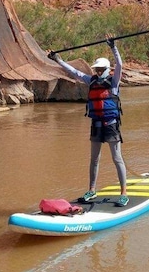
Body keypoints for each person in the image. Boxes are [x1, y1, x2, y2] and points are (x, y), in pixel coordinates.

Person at [48, 36, 129, 207]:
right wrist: (59, 60)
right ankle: (92, 190)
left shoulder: (113, 82)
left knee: (117, 158)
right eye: (96, 70)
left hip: (111, 125)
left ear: (107, 70)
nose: (98, 72)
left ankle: (123, 193)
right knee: (94, 159)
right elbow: (75, 73)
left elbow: (120, 65)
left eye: (100, 70)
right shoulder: (90, 80)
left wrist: (113, 48)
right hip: (96, 126)